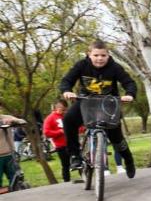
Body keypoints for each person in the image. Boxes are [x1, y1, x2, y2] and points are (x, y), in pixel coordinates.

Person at [59, 39, 137, 178]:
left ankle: (128, 159)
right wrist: (67, 91)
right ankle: (75, 155)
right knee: (68, 119)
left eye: (103, 55)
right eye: (96, 55)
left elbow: (129, 82)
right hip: (86, 102)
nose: (99, 58)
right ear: (89, 54)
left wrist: (130, 94)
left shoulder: (115, 67)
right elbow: (66, 80)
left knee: (116, 137)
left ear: (108, 55)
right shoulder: (81, 65)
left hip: (108, 104)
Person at [42, 100, 71, 182]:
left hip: (72, 143)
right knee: (66, 165)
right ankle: (66, 182)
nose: (64, 111)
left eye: (65, 109)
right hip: (61, 145)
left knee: (79, 162)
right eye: (62, 109)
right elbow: (46, 132)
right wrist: (60, 132)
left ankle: (85, 178)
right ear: (57, 108)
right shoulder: (50, 118)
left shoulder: (67, 116)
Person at [0, 114, 26, 191]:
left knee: (16, 178)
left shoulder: (5, 117)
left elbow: (22, 121)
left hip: (9, 154)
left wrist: (13, 121)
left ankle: (16, 192)